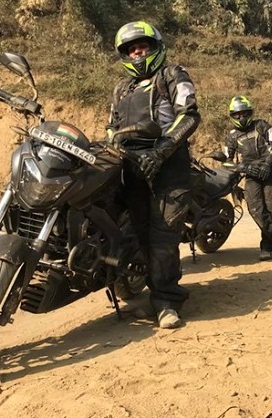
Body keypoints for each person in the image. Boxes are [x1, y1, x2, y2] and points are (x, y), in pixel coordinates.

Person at [108, 21, 200, 328]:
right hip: (132, 167)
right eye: (131, 49)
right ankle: (154, 292)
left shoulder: (173, 74)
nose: (137, 53)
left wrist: (160, 151)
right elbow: (111, 127)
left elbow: (188, 116)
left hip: (169, 166)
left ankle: (167, 301)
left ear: (155, 48)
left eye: (142, 47)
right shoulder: (122, 87)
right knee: (138, 232)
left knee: (163, 235)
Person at [224, 95, 272, 261]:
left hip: (271, 171)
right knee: (255, 209)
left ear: (251, 113)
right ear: (232, 116)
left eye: (244, 113)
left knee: (271, 209)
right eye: (237, 115)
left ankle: (266, 246)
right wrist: (241, 167)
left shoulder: (262, 125)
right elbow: (227, 161)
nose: (241, 118)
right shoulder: (232, 136)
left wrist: (268, 163)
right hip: (251, 175)